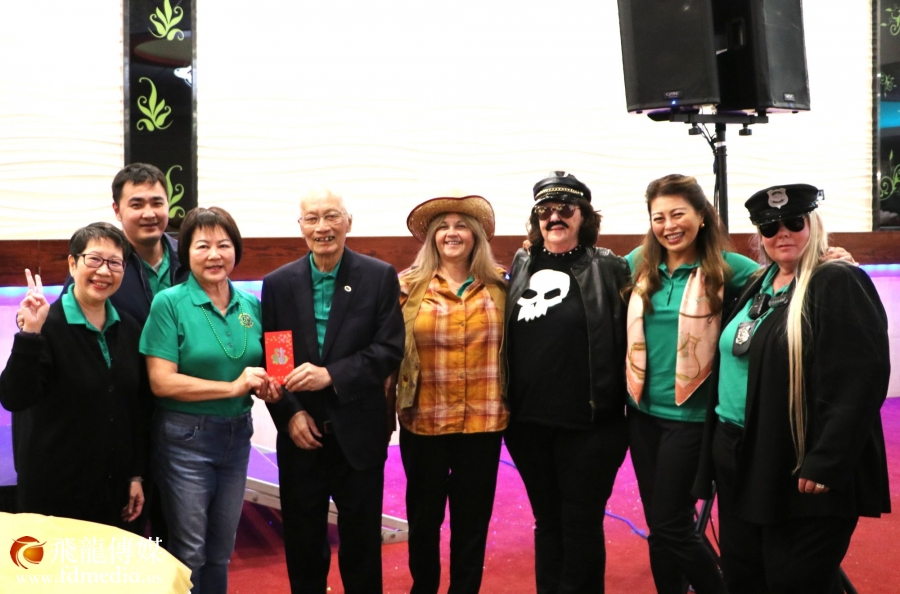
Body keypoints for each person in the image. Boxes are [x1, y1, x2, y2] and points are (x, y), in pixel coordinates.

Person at [696, 184, 891, 594]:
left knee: (795, 579)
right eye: (769, 227)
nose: (781, 232)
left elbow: (860, 381)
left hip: (796, 457)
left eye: (793, 222)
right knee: (746, 573)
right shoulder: (760, 283)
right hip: (740, 453)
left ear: (812, 225)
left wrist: (827, 460)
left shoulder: (835, 281)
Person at [261, 187, 404, 594]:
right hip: (301, 436)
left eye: (332, 216)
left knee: (361, 547)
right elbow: (275, 361)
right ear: (301, 227)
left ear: (348, 223)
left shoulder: (378, 276)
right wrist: (290, 414)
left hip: (359, 433)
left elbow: (389, 349)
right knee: (304, 546)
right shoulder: (278, 283)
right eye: (312, 218)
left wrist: (331, 375)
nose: (322, 227)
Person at [623, 174, 758, 594]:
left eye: (678, 214)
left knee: (671, 523)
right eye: (658, 217)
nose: (669, 225)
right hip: (642, 414)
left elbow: (784, 277)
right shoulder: (639, 264)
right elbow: (589, 269)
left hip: (692, 419)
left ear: (702, 216)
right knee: (660, 526)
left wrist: (829, 258)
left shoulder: (730, 268)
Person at [503, 171, 630, 593]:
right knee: (547, 522)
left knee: (581, 524)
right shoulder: (522, 264)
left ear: (584, 217)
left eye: (565, 209)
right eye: (545, 210)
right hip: (527, 425)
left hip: (590, 426)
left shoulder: (609, 268)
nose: (554, 217)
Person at [140, 207, 279, 594]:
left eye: (224, 244)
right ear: (186, 252)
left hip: (237, 435)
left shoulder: (250, 304)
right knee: (190, 550)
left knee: (221, 550)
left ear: (236, 250)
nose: (214, 254)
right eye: (203, 246)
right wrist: (233, 387)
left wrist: (270, 385)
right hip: (185, 439)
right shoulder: (169, 303)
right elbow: (161, 382)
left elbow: (266, 365)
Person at [390, 194, 508, 593]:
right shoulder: (407, 287)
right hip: (424, 422)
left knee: (472, 524)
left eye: (461, 226)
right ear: (432, 238)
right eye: (443, 227)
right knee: (424, 522)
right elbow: (387, 353)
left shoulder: (501, 286)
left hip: (483, 423)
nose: (451, 233)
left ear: (476, 236)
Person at [0, 223, 148, 527]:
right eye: (94, 259)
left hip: (114, 489)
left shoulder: (130, 328)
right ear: (72, 263)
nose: (104, 271)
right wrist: (30, 334)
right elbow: (14, 397)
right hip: (54, 492)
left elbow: (135, 409)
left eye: (115, 262)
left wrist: (136, 474)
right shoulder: (47, 324)